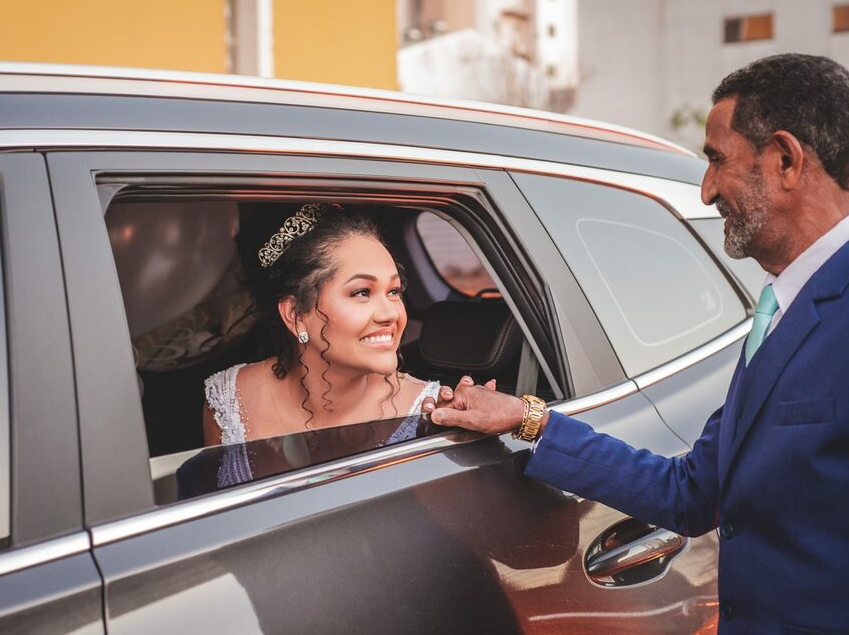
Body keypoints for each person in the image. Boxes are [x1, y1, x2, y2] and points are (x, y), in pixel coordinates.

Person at [423, 53, 849, 635]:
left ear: (785, 160)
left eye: (717, 160)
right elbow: (690, 493)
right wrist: (528, 419)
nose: (706, 191)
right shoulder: (782, 309)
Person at [203, 202, 441, 448]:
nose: (391, 313)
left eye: (393, 291)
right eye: (362, 292)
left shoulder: (433, 412)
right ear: (296, 314)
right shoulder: (231, 400)